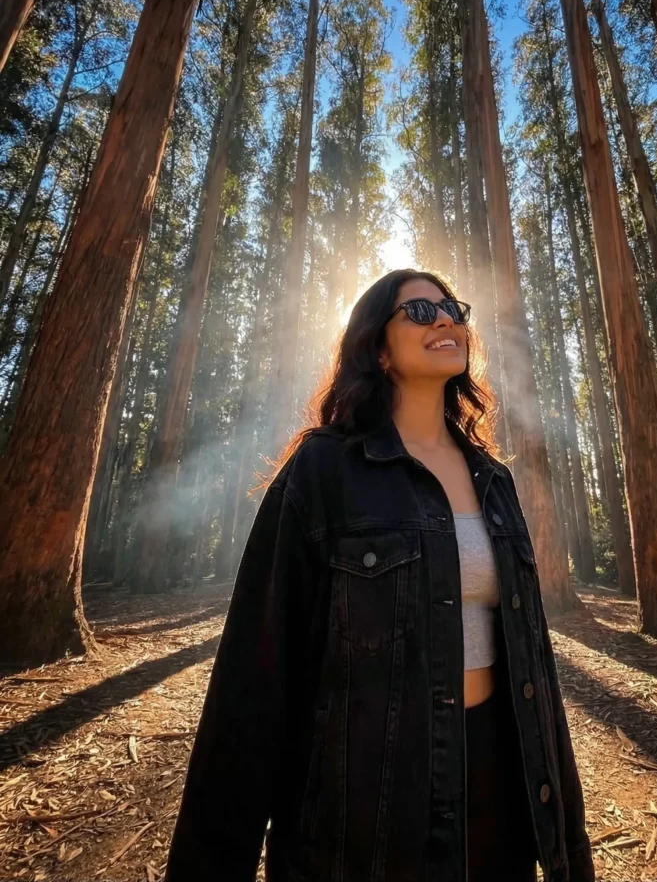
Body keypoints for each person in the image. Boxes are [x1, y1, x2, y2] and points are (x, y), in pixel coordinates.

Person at [164, 269, 594, 882]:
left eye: (453, 308)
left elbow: (537, 674)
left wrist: (570, 855)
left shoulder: (494, 480)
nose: (446, 319)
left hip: (502, 792)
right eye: (419, 312)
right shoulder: (323, 470)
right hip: (369, 817)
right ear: (379, 348)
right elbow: (251, 685)